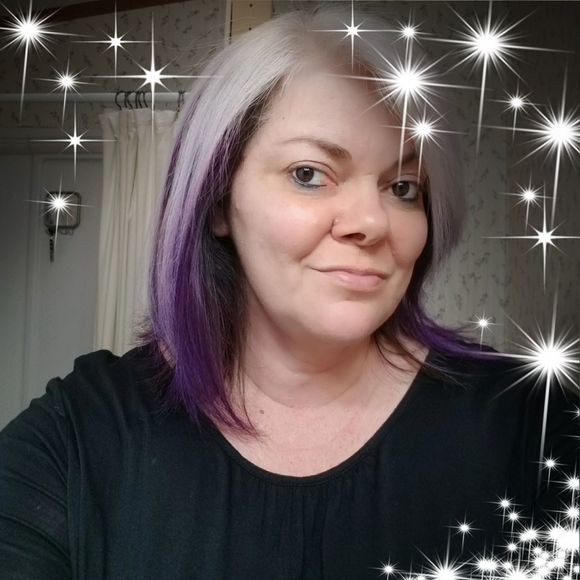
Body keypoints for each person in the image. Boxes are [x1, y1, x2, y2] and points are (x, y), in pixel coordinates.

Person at [0, 4, 578, 579]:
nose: (372, 222)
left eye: (403, 186)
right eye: (309, 174)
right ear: (218, 201)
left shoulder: (533, 423)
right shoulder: (80, 434)